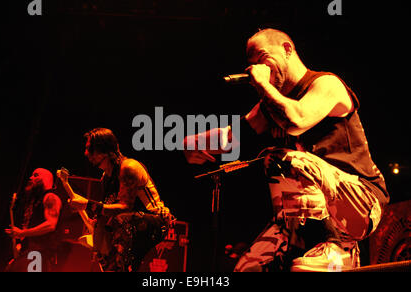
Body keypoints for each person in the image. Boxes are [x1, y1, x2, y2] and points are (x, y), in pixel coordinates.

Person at [184, 28, 389, 272]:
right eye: (251, 64)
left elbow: (296, 120)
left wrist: (262, 84)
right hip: (306, 215)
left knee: (281, 159)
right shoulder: (270, 104)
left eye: (262, 58)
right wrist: (191, 142)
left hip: (360, 201)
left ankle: (339, 246)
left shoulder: (326, 84)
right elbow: (232, 137)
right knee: (248, 269)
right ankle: (304, 238)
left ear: (287, 50)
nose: (256, 68)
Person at [64, 127, 175, 272]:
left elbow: (125, 207)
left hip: (156, 221)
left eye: (90, 149)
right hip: (129, 224)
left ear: (105, 151)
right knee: (103, 230)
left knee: (121, 221)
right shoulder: (105, 178)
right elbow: (107, 210)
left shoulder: (128, 168)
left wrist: (88, 204)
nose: (86, 154)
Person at [5, 168, 63, 272]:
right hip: (29, 252)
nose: (31, 178)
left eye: (36, 175)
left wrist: (22, 233)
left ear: (46, 179)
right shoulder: (35, 201)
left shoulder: (50, 197)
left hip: (39, 253)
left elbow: (51, 225)